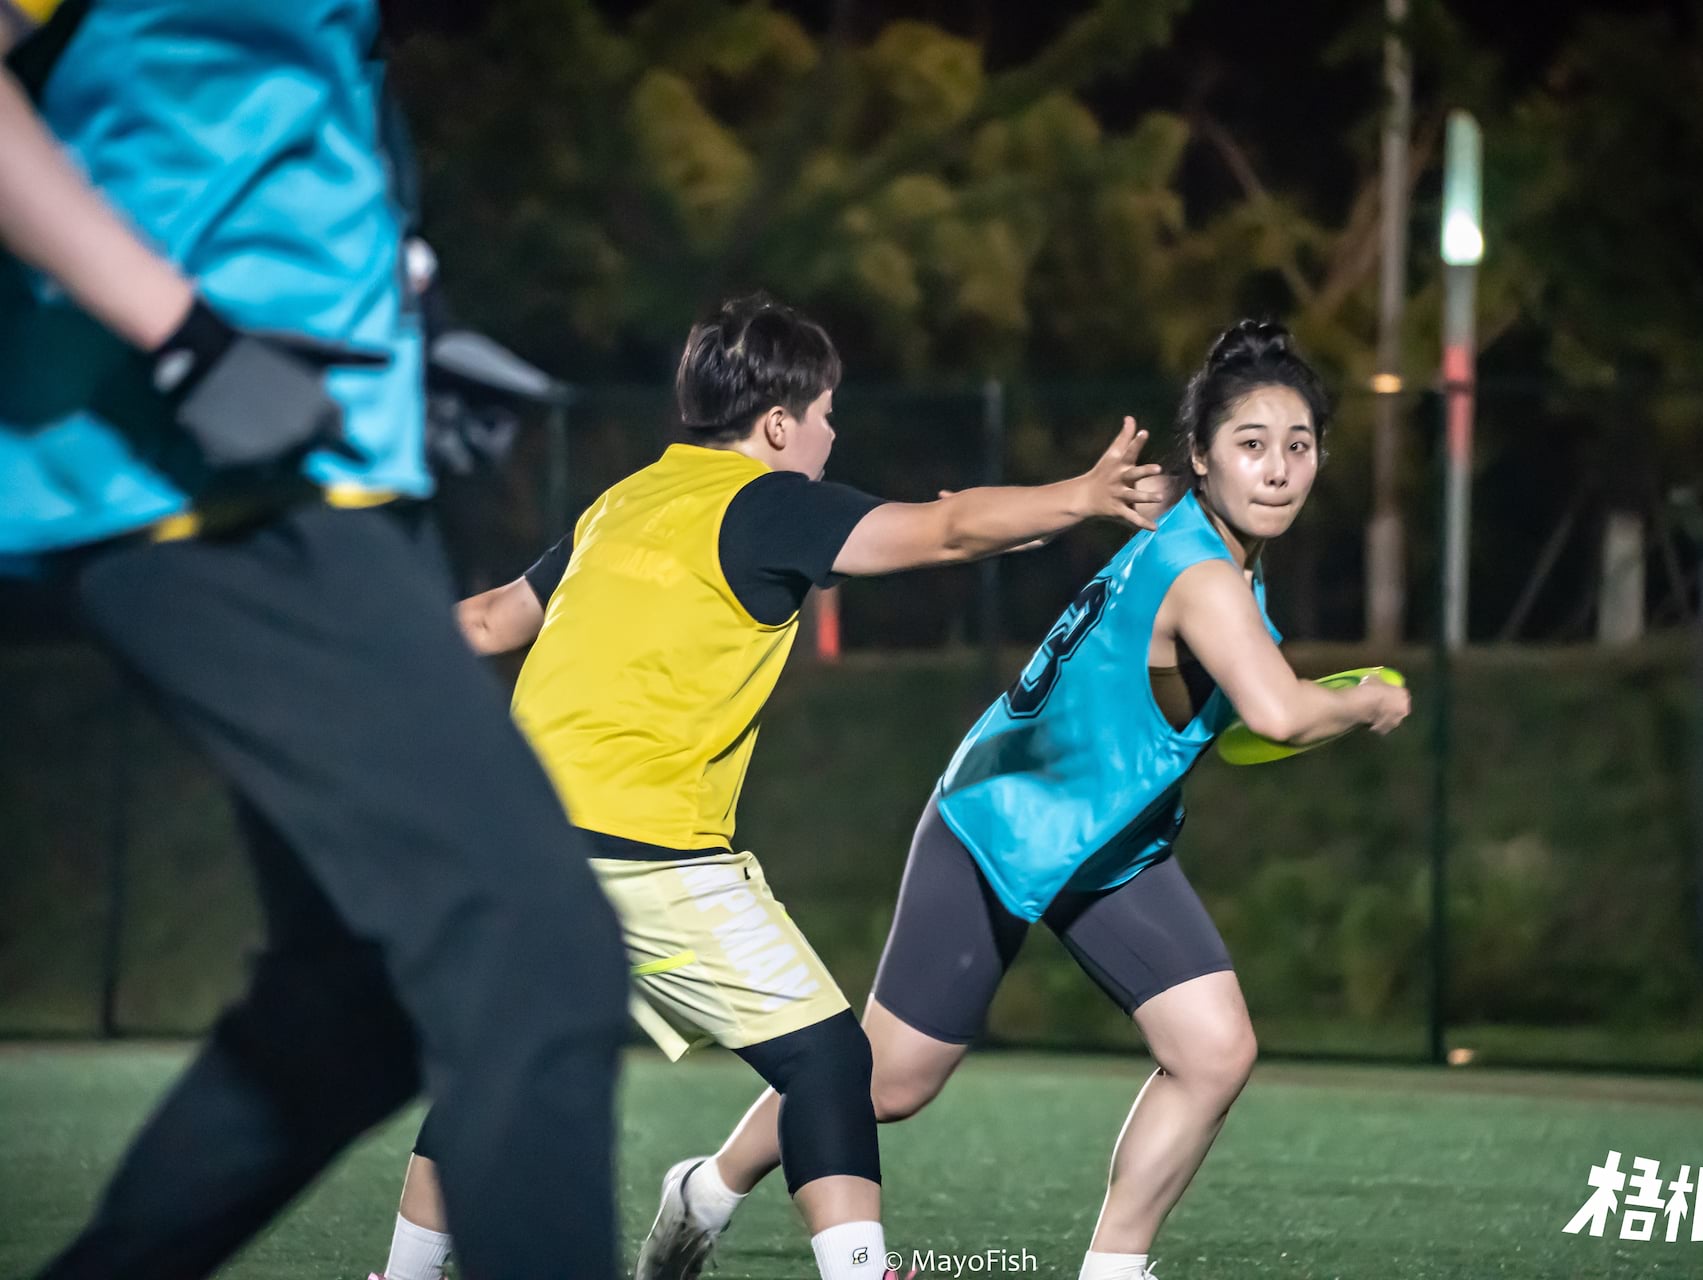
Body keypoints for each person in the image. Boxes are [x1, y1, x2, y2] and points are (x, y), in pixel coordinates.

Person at [1, 5, 630, 1277]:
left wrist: (412, 323)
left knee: (358, 997)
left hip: (322, 457)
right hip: (187, 468)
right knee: (530, 949)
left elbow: (268, 111)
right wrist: (185, 338)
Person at [374, 292, 1165, 1280]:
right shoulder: (770, 503)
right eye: (827, 414)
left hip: (519, 842)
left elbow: (493, 619)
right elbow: (949, 529)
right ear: (780, 424)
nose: (833, 436)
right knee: (827, 1059)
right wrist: (1082, 495)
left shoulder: (625, 500)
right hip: (645, 854)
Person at [644, 319, 1413, 1280]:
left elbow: (1237, 714)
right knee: (889, 1083)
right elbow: (1279, 714)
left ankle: (1113, 1270)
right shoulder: (1206, 576)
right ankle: (706, 1190)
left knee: (1214, 1051)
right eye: (1251, 444)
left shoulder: (1194, 537)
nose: (1278, 470)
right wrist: (1368, 698)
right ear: (1204, 457)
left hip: (1109, 846)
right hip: (997, 827)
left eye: (1298, 446)